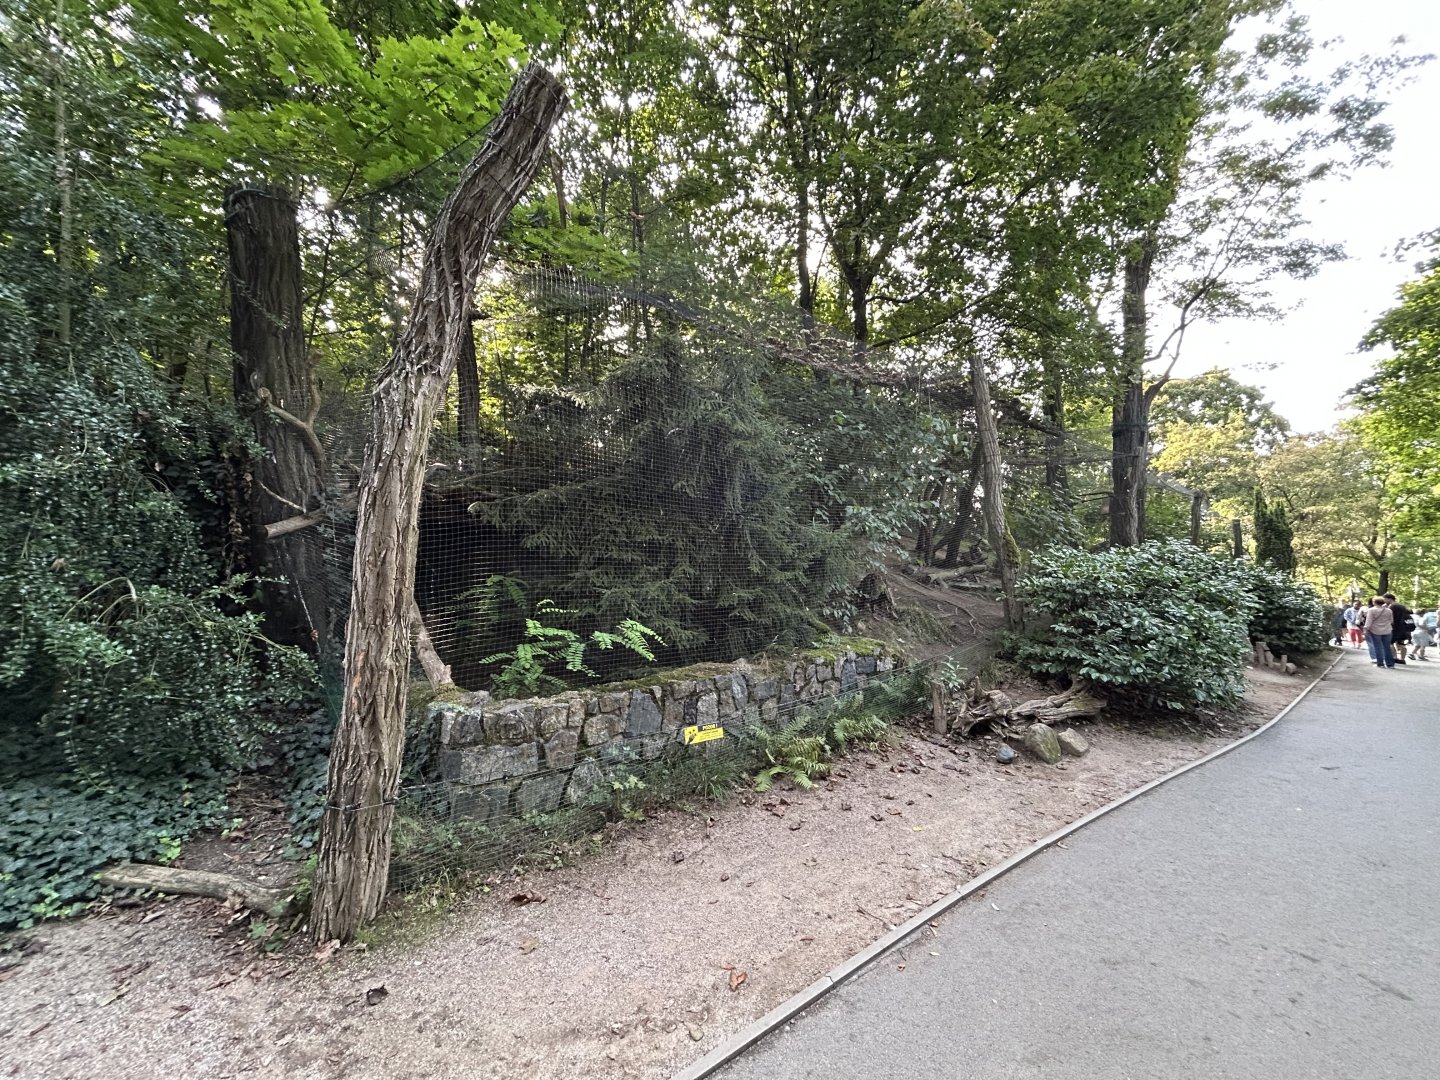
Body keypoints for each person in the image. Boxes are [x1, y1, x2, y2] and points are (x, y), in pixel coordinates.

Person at [1364, 596, 1395, 669]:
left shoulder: (1371, 610)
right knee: (1387, 647)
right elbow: (1391, 621)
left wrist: (1366, 629)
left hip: (1375, 631)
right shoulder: (1389, 610)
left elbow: (1369, 621)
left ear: (1374, 602)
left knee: (1378, 647)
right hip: (1387, 630)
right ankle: (1390, 664)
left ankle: (1380, 663)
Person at [1384, 593, 1413, 665]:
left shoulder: (1391, 607)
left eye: (1385, 599)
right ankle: (1402, 659)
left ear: (1389, 599)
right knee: (1401, 644)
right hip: (1403, 627)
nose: (1384, 601)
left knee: (1390, 643)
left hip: (1394, 627)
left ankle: (1394, 657)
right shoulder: (1402, 606)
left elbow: (1389, 617)